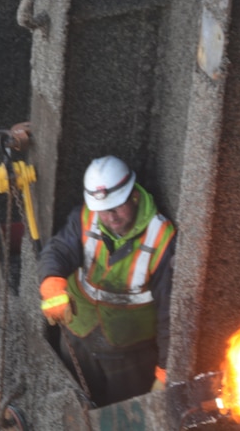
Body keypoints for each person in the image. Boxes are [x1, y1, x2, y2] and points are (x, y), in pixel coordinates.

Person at [38, 155, 177, 407]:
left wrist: (166, 371)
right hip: (78, 335)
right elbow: (59, 250)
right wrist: (52, 283)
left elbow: (171, 314)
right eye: (102, 210)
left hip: (128, 355)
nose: (110, 217)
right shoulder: (85, 217)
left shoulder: (161, 239)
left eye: (117, 206)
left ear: (134, 195)